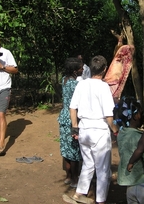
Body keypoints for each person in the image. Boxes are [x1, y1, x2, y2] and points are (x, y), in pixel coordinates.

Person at [69, 55, 118, 204]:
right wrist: (115, 130)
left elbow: (73, 107)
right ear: (104, 69)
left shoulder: (82, 84)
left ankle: (79, 193)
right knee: (102, 168)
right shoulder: (104, 87)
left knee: (88, 163)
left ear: (89, 69)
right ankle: (100, 199)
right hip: (99, 130)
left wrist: (75, 128)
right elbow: (109, 115)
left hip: (84, 129)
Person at [115, 97, 144, 204]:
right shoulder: (139, 137)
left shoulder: (121, 134)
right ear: (136, 116)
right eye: (141, 113)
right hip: (143, 185)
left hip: (130, 186)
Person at [57, 57, 84, 188]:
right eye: (80, 68)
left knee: (66, 148)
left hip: (63, 116)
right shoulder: (76, 84)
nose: (83, 69)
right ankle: (75, 178)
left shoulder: (64, 80)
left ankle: (68, 176)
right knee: (74, 150)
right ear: (74, 70)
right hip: (72, 118)